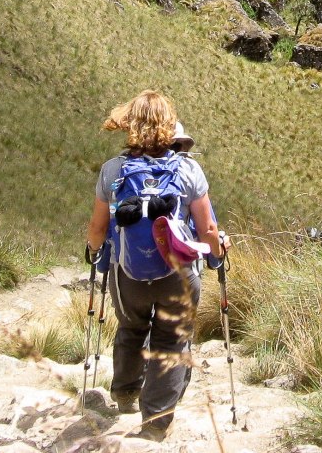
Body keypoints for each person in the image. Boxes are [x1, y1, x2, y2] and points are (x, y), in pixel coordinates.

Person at [86, 91, 224, 441]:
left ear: (130, 123)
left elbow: (98, 228)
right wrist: (216, 255)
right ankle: (156, 424)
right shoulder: (189, 169)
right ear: (169, 125)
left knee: (131, 327)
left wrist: (94, 252)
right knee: (172, 341)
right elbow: (207, 228)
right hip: (177, 274)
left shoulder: (113, 170)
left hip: (128, 273)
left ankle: (124, 393)